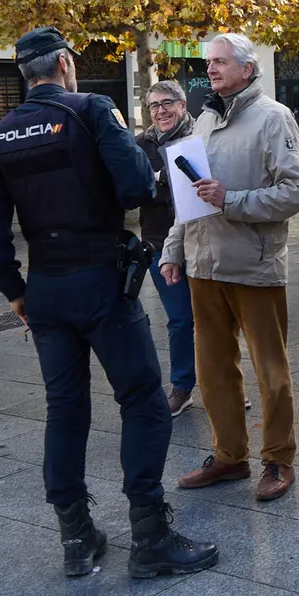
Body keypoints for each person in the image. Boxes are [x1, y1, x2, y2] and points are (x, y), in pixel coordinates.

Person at [0, 27, 216, 579]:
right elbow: (135, 186)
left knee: (64, 408)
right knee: (142, 400)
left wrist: (15, 292)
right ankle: (150, 535)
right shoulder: (91, 110)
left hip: (46, 288)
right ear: (63, 63)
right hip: (102, 281)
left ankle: (76, 538)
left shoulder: (0, 135)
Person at [159, 33, 299, 503]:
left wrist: (233, 200)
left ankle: (279, 458)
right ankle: (229, 456)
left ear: (248, 68)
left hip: (253, 266)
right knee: (213, 371)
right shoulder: (202, 118)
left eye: (221, 62)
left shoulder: (274, 117)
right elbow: (189, 198)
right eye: (209, 63)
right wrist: (172, 250)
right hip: (204, 266)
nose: (211, 70)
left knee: (271, 370)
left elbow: (296, 192)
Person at [135, 81, 199, 416]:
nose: (161, 111)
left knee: (215, 318)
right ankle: (182, 386)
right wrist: (162, 180)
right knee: (178, 319)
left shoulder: (200, 137)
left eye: (167, 103)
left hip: (203, 241)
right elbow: (134, 191)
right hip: (160, 243)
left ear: (183, 104)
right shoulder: (140, 144)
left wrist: (158, 179)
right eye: (154, 105)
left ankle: (227, 384)